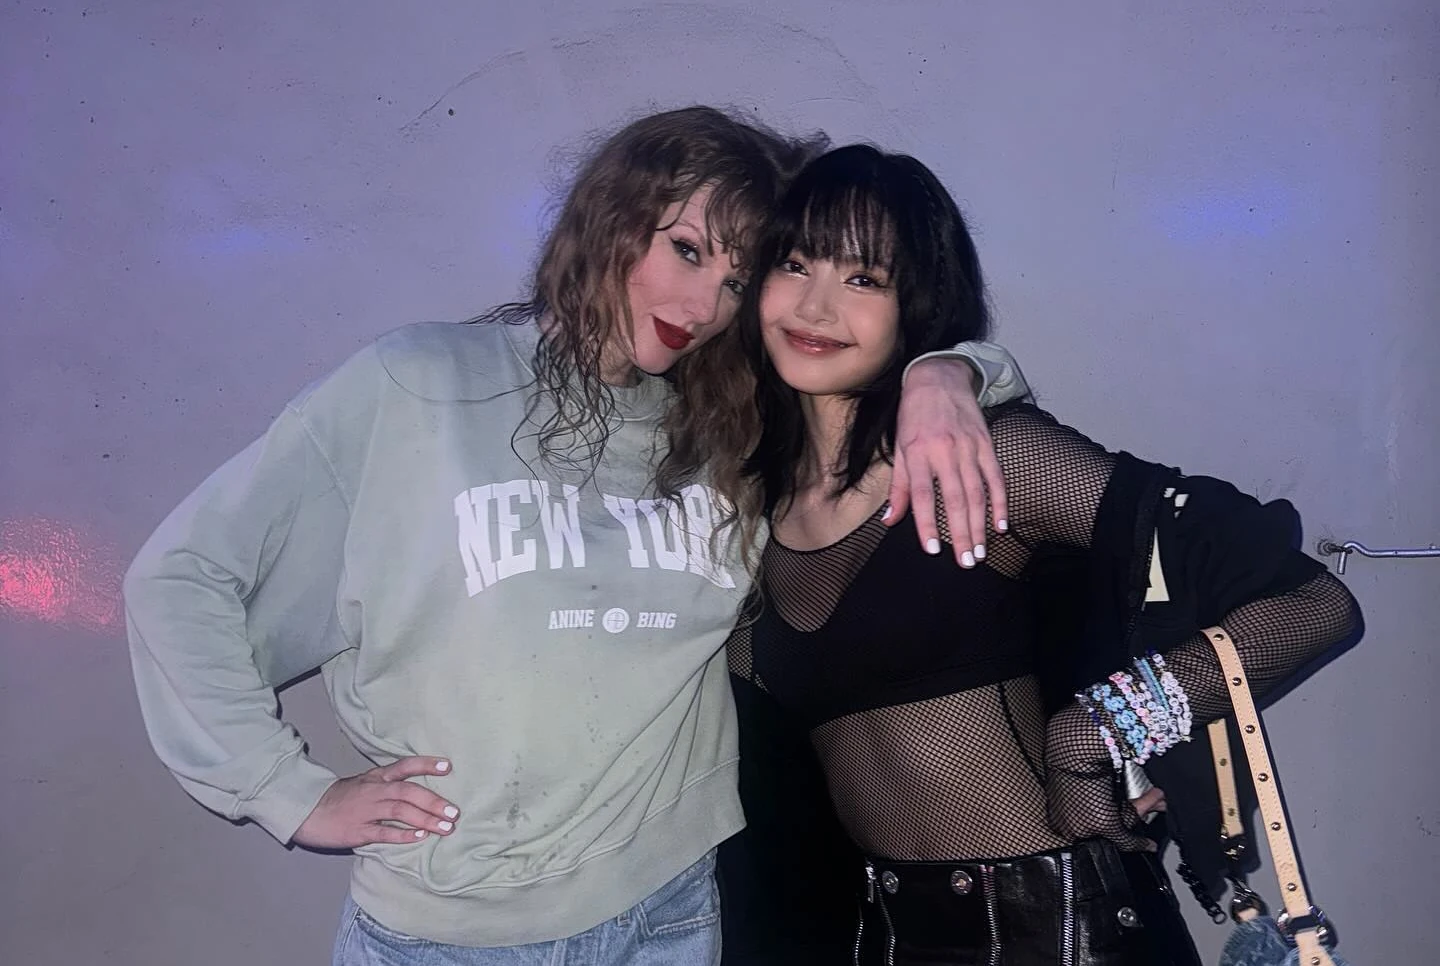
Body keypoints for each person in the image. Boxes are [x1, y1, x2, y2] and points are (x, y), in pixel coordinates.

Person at [123, 107, 1032, 965]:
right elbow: (183, 577)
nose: (703, 305)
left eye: (734, 281)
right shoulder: (419, 386)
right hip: (452, 932)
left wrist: (946, 373)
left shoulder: (732, 434)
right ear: (612, 216)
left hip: (670, 912)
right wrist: (285, 791)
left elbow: (891, 368)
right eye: (685, 250)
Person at [718, 144, 1361, 965]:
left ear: (917, 305)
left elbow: (1313, 604)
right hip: (882, 934)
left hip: (1057, 927)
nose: (815, 305)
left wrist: (1095, 731)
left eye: (863, 278)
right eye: (795, 264)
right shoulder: (750, 506)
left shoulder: (992, 459)